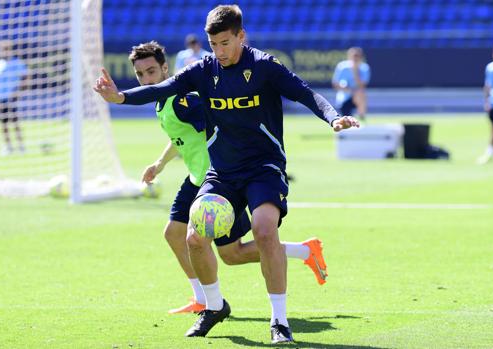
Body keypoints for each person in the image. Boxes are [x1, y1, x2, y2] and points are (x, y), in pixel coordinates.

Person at [94, 5, 359, 344]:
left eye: (225, 43)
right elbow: (162, 89)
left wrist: (333, 117)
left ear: (241, 36)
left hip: (263, 167)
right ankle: (214, 305)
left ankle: (279, 321)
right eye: (213, 44)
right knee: (194, 237)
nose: (219, 52)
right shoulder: (203, 70)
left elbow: (306, 93)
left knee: (265, 232)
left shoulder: (264, 66)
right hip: (222, 173)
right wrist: (119, 98)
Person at [128, 41, 329, 315]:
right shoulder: (164, 102)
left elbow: (216, 123)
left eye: (152, 72)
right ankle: (204, 298)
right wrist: (160, 163)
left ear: (166, 68)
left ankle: (301, 253)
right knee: (180, 236)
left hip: (220, 179)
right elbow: (182, 137)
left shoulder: (184, 100)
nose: (146, 79)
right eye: (140, 75)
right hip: (197, 178)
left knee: (231, 254)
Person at [0, 40, 28, 155]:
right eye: (2, 49)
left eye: (7, 49)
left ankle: (21, 146)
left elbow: (25, 78)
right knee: (4, 124)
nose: (4, 52)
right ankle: (8, 146)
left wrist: (18, 92)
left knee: (15, 122)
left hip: (12, 98)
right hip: (0, 98)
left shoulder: (17, 63)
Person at [332, 47, 370, 121]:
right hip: (344, 98)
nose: (355, 58)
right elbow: (335, 84)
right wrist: (348, 89)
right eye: (353, 56)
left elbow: (362, 86)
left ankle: (362, 117)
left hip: (358, 99)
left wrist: (355, 71)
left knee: (360, 94)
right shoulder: (342, 67)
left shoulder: (364, 68)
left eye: (357, 56)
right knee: (347, 121)